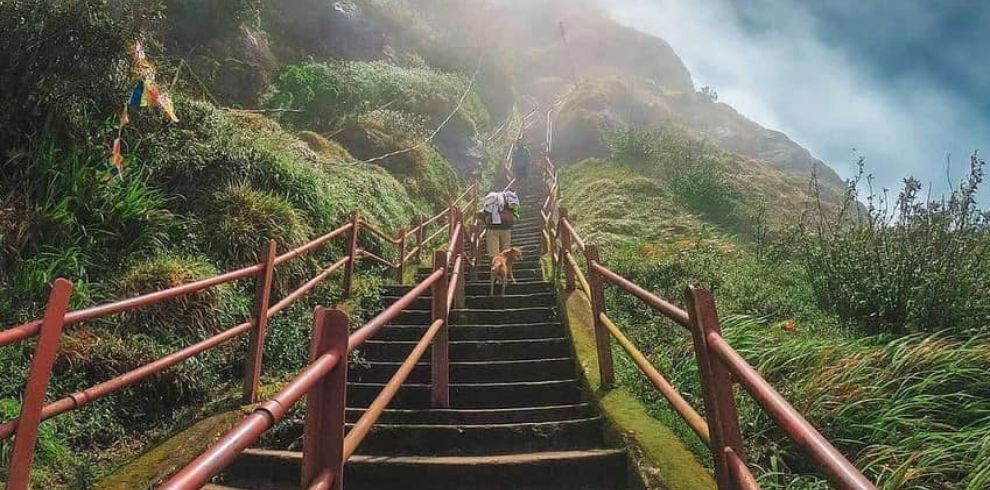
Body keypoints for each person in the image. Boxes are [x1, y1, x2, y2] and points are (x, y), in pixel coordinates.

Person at [478, 190, 520, 258]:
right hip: (506, 229)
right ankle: (505, 264)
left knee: (494, 256)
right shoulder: (509, 202)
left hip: (492, 229)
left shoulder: (490, 203)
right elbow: (515, 216)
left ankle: (496, 263)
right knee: (506, 254)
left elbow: (483, 215)